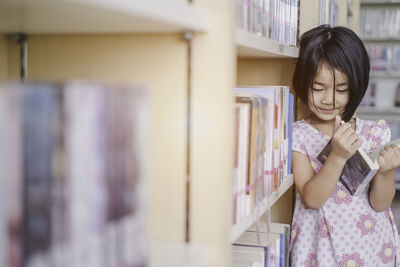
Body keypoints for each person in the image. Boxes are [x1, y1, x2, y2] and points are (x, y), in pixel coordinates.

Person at [290, 24, 400, 266]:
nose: (329, 100)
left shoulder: (374, 131)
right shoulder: (298, 134)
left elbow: (380, 204)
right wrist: (338, 156)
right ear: (302, 82)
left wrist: (387, 172)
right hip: (320, 251)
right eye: (318, 88)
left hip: (371, 248)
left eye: (341, 90)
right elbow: (312, 199)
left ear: (356, 87)